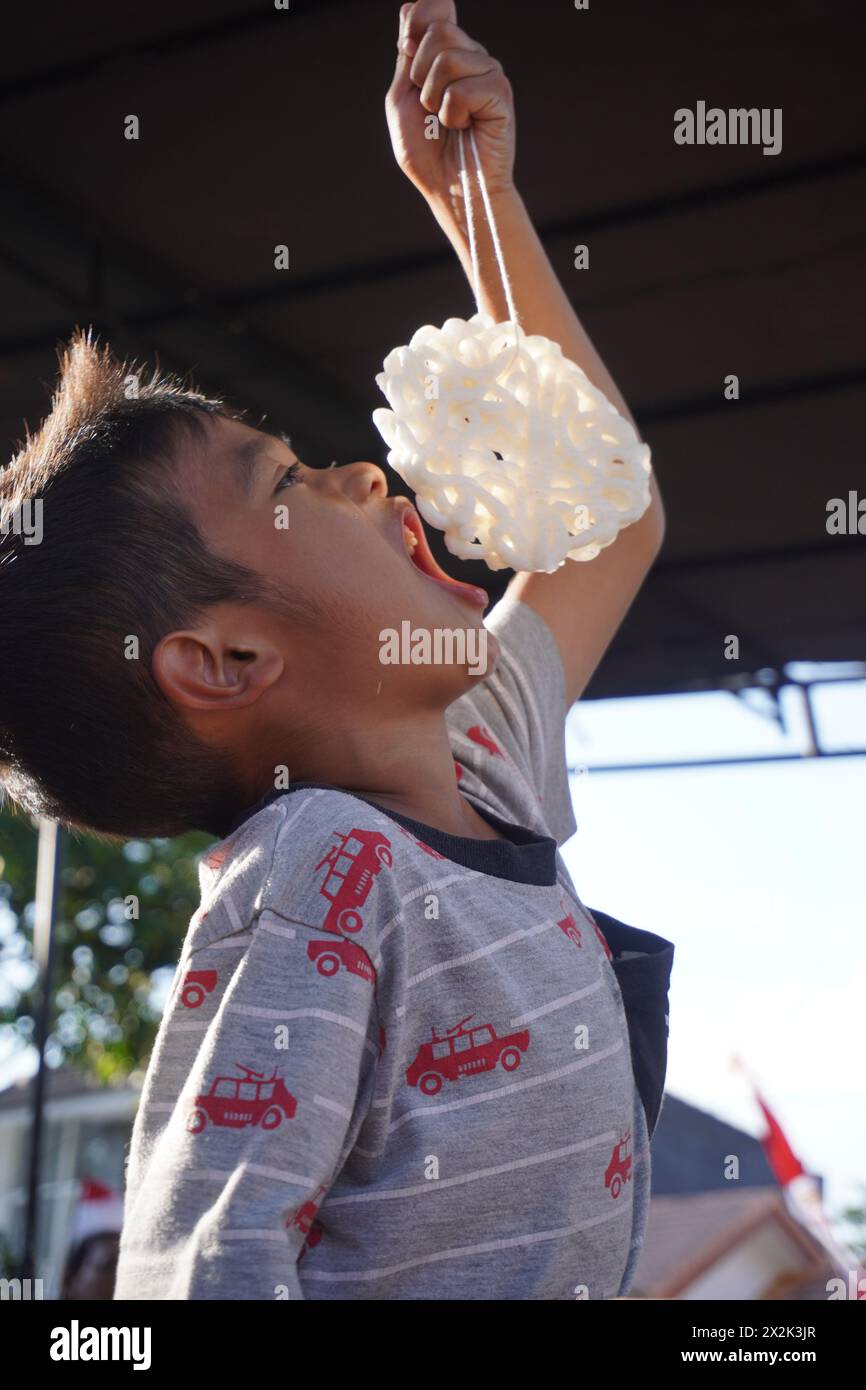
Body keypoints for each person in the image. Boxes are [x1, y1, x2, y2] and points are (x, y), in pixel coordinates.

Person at [0, 0, 672, 1299]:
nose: (365, 474)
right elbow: (205, 1263)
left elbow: (609, 511)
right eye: (289, 480)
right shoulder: (320, 867)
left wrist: (478, 201)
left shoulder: (483, 761)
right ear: (227, 661)